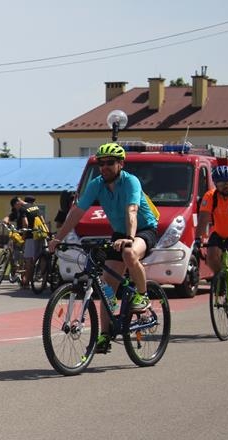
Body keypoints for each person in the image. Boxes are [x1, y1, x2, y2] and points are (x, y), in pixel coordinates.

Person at [49, 142, 158, 353]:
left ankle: (142, 295)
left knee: (129, 252)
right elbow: (77, 212)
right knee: (107, 287)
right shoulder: (96, 184)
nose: (104, 167)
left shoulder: (131, 181)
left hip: (143, 230)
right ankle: (105, 335)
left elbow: (132, 211)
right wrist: (58, 238)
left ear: (121, 164)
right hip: (119, 234)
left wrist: (129, 237)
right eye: (101, 163)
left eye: (110, 163)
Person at [199, 165, 228, 275]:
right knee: (211, 257)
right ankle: (220, 278)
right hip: (219, 233)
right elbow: (203, 219)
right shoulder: (210, 196)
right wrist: (198, 239)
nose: (225, 186)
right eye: (221, 184)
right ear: (215, 184)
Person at [18, 196, 44, 289]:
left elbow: (25, 223)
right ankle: (44, 281)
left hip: (30, 236)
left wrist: (24, 236)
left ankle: (26, 282)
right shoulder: (36, 208)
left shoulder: (23, 208)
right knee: (41, 258)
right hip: (40, 235)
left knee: (29, 259)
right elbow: (42, 220)